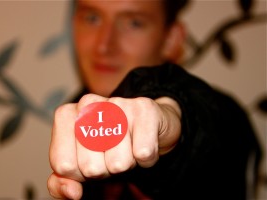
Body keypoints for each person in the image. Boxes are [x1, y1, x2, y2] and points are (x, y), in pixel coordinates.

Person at [47, 0, 261, 199]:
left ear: (171, 40)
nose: (104, 45)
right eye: (92, 18)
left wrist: (172, 124)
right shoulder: (76, 117)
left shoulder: (225, 118)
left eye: (134, 23)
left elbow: (203, 126)